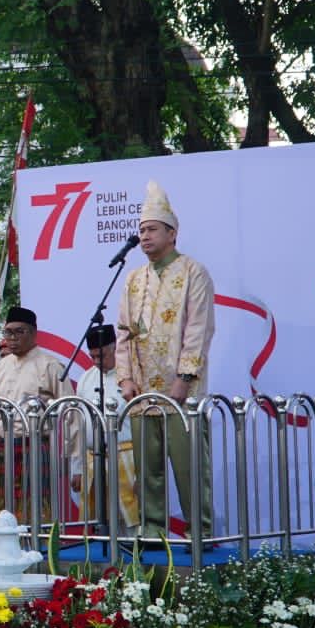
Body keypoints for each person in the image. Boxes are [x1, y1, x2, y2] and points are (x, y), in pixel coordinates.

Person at [116, 180, 216, 541]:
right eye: (141, 230)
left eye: (151, 229)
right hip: (142, 393)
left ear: (172, 233)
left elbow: (199, 328)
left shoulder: (193, 272)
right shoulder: (132, 279)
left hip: (181, 392)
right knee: (149, 469)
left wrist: (184, 378)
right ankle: (153, 529)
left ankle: (200, 531)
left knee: (189, 467)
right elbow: (124, 332)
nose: (144, 236)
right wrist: (125, 379)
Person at [0, 306, 74, 521]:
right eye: (8, 332)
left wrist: (74, 462)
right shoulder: (1, 366)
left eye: (20, 332)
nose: (13, 338)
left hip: (35, 446)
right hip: (4, 446)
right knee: (3, 510)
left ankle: (38, 550)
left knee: (36, 508)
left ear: (34, 333)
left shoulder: (50, 366)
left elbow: (71, 415)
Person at [73, 324, 138, 532]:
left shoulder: (132, 376)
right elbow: (78, 425)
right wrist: (77, 468)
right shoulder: (86, 378)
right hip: (94, 461)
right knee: (99, 524)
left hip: (128, 458)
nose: (97, 362)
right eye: (93, 357)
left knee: (130, 523)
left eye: (101, 356)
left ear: (115, 349)